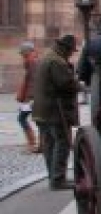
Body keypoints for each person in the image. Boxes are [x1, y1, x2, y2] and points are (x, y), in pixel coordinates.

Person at [32, 35, 80, 190]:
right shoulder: (56, 61)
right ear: (65, 49)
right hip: (55, 110)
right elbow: (66, 84)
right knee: (62, 143)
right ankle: (58, 179)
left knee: (49, 144)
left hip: (41, 109)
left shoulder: (46, 57)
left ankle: (53, 177)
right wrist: (80, 86)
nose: (71, 54)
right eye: (71, 51)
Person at [15, 41, 40, 153]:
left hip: (31, 98)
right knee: (33, 120)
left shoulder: (32, 62)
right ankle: (34, 142)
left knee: (23, 119)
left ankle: (33, 142)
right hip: (30, 98)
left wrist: (31, 98)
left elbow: (34, 82)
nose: (22, 56)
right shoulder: (31, 62)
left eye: (23, 54)